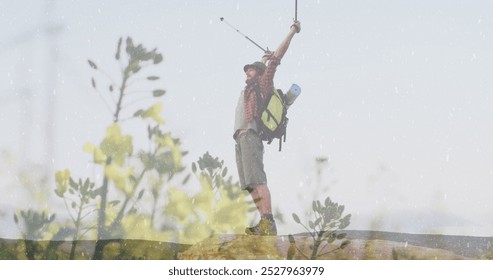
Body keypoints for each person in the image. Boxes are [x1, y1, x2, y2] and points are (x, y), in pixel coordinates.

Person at [234, 21, 301, 236]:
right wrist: (264, 57)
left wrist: (291, 32)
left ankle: (268, 222)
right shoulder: (250, 87)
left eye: (251, 69)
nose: (247, 72)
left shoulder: (263, 84)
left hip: (251, 137)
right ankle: (263, 222)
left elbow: (275, 59)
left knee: (258, 179)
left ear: (260, 72)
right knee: (249, 183)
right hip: (240, 139)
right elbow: (266, 60)